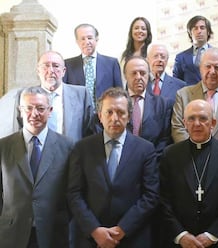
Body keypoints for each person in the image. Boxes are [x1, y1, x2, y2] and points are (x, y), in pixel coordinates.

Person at [67, 87, 159, 248]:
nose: (114, 118)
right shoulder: (82, 148)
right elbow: (74, 193)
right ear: (100, 116)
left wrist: (122, 229)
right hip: (91, 239)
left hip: (132, 237)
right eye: (109, 112)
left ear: (129, 116)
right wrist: (95, 230)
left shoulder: (145, 149)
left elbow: (151, 195)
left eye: (120, 112)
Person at [160, 99, 218, 248]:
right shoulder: (170, 154)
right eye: (191, 118)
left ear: (213, 123)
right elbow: (164, 199)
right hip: (180, 242)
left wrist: (213, 235)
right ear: (184, 123)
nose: (197, 124)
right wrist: (181, 235)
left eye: (203, 118)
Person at [0, 86, 74, 247]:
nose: (34, 114)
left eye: (41, 108)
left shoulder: (68, 147)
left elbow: (73, 193)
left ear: (50, 110)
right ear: (20, 110)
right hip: (11, 234)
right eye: (28, 108)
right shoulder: (3, 147)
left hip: (54, 233)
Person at [8, 51, 94, 142]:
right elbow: (18, 132)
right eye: (46, 66)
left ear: (63, 71)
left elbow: (89, 130)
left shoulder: (81, 95)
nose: (51, 70)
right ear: (38, 71)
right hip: (35, 153)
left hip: (72, 153)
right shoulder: (24, 96)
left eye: (56, 66)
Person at [63, 23, 123, 108]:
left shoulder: (112, 63)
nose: (87, 42)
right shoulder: (68, 65)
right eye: (82, 39)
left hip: (105, 114)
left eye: (90, 38)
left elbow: (120, 93)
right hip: (78, 115)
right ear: (77, 42)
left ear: (96, 39)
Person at [124, 55, 172, 159]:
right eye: (133, 73)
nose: (138, 77)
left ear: (148, 75)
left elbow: (165, 139)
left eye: (142, 73)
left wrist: (150, 161)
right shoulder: (117, 103)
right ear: (125, 76)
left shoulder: (162, 104)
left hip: (152, 164)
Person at [173, 15, 213, 85]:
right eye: (195, 28)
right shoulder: (180, 58)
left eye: (202, 28)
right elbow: (176, 83)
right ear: (190, 33)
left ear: (208, 31)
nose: (199, 31)